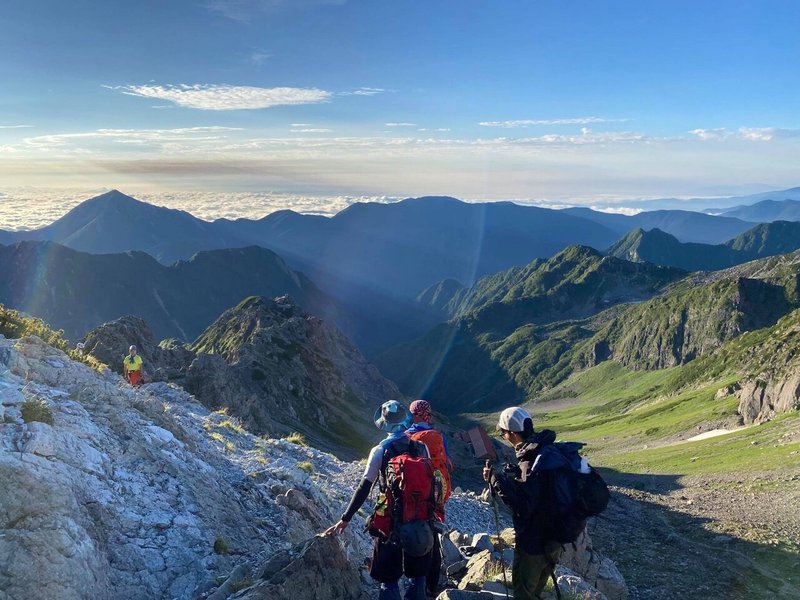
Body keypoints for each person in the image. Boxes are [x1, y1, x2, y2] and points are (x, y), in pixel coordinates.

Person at [324, 400, 433, 600]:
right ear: (405, 420)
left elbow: (364, 487)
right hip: (419, 517)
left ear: (385, 423)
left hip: (390, 521)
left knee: (388, 578)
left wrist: (345, 518)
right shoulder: (421, 447)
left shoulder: (380, 450)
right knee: (418, 576)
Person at [483, 406, 561, 600]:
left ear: (513, 433)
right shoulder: (546, 451)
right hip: (556, 537)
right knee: (536, 590)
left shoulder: (529, 461)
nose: (504, 437)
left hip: (534, 541)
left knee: (523, 593)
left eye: (503, 433)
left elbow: (523, 505)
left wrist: (495, 479)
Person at [405, 399, 452, 597]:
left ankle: (414, 582)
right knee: (432, 538)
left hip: (412, 496)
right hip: (434, 496)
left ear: (413, 414)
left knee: (412, 534)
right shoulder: (438, 437)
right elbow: (447, 463)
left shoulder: (407, 436)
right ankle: (431, 587)